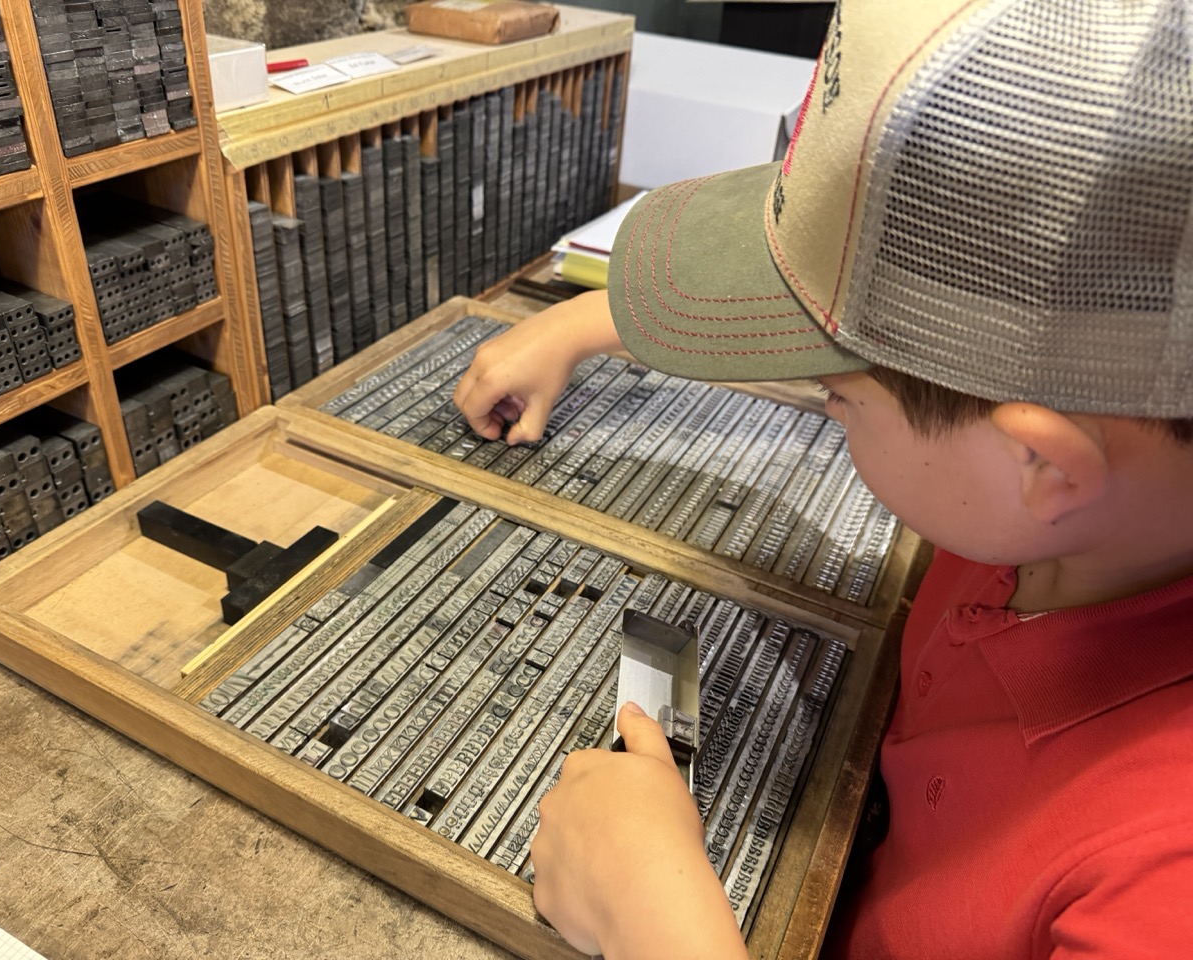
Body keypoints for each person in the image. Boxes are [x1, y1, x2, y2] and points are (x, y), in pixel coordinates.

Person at [452, 0, 1193, 956]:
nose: (825, 402)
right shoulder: (1098, 513)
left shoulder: (1156, 890)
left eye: (836, 394)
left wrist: (657, 923)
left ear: (1043, 464)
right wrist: (588, 323)